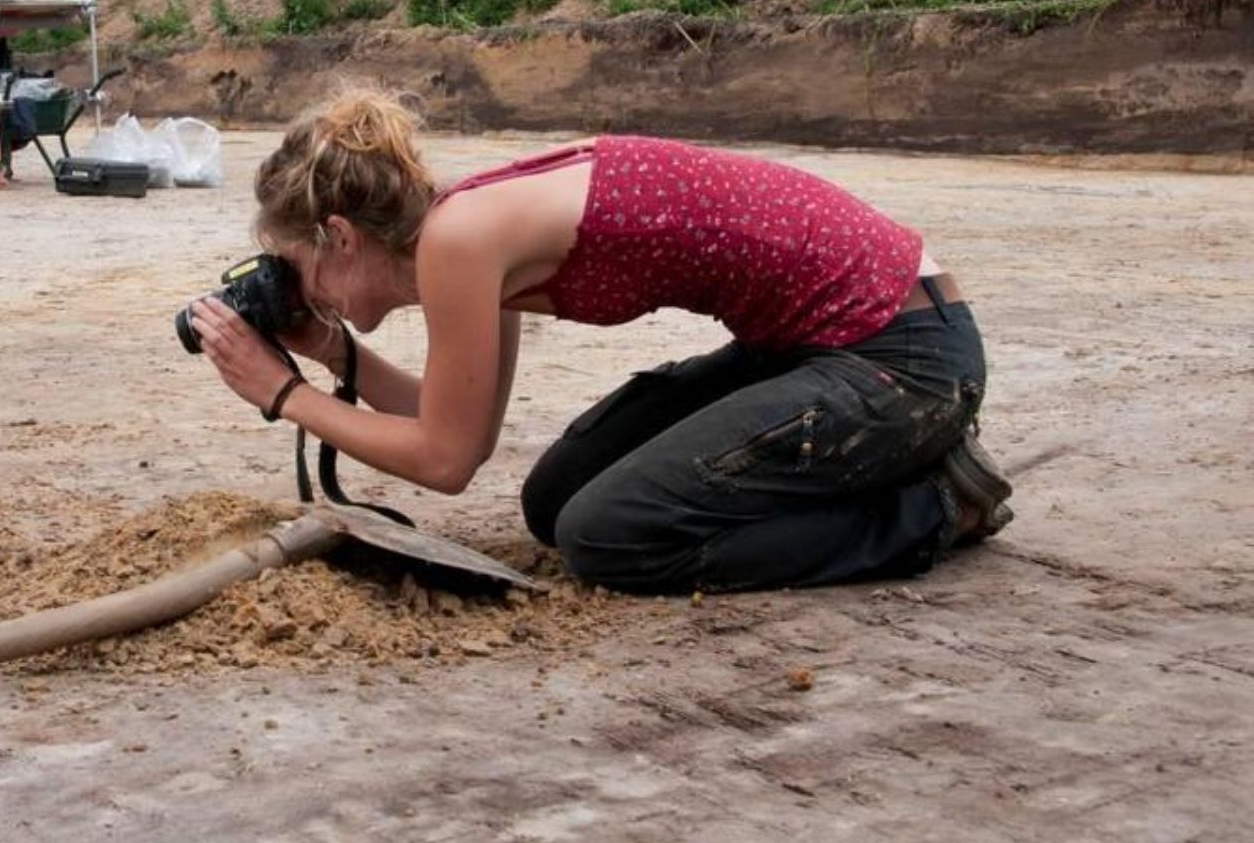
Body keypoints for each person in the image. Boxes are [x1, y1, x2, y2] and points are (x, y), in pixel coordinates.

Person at [188, 89, 1014, 595]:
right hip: (822, 343)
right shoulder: (465, 225)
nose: (306, 294)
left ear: (339, 235)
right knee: (555, 502)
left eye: (299, 268)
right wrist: (333, 357)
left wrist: (281, 392)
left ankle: (931, 503)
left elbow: (439, 462)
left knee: (612, 537)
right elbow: (459, 429)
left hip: (899, 354)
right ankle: (887, 464)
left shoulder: (461, 240)